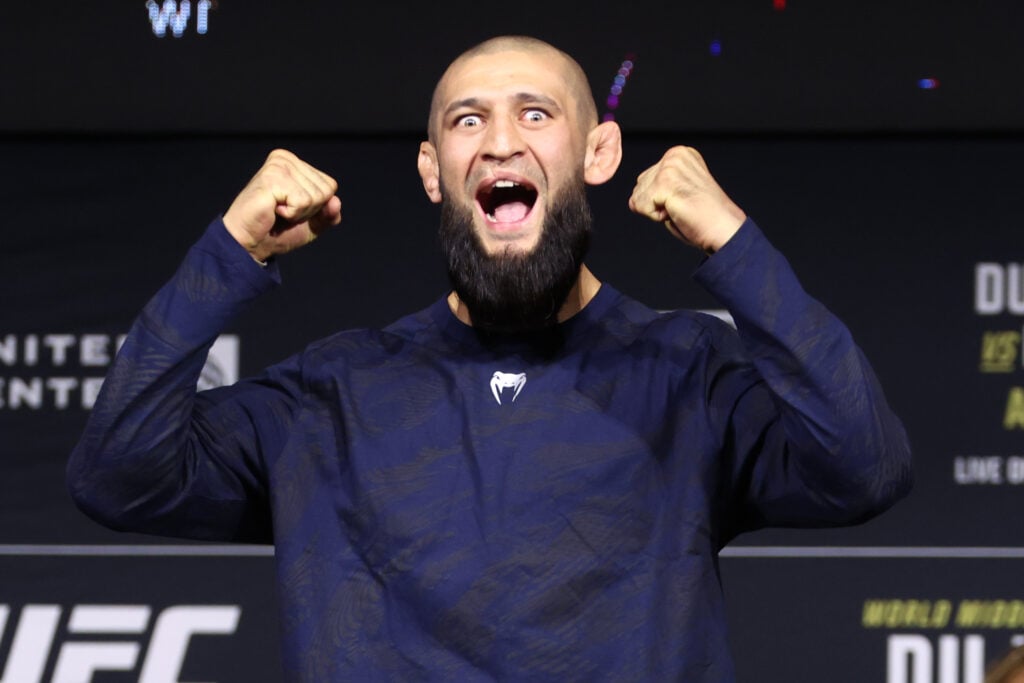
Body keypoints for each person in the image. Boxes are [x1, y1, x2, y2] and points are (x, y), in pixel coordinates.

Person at [68, 35, 912, 682]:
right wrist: (230, 251)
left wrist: (734, 243)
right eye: (467, 121)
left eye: (535, 114)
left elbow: (864, 466)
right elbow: (117, 475)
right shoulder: (331, 395)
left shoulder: (687, 371)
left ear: (599, 153)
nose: (500, 142)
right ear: (433, 171)